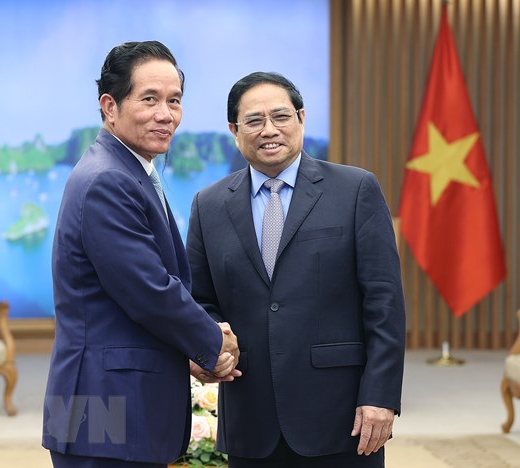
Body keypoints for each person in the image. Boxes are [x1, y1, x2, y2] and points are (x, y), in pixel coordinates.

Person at [186, 71, 405, 467]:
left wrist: (380, 395)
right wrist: (212, 345)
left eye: (281, 116)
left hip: (342, 417)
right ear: (234, 131)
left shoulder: (355, 190)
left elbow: (384, 302)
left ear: (301, 119)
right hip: (251, 419)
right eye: (254, 120)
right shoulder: (209, 205)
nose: (269, 130)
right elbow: (199, 300)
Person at [42, 40, 239, 468]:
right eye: (149, 99)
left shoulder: (126, 169)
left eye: (174, 100)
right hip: (103, 408)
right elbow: (149, 290)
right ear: (109, 106)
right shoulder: (108, 180)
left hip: (107, 405)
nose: (165, 114)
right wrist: (212, 343)